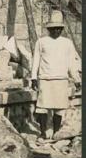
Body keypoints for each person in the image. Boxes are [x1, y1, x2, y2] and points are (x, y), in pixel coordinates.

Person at [31, 10, 81, 142]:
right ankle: (42, 133)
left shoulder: (67, 43)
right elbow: (36, 60)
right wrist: (33, 78)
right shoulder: (41, 42)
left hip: (61, 80)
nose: (56, 31)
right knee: (42, 107)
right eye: (53, 28)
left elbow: (71, 63)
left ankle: (56, 133)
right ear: (49, 29)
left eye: (59, 28)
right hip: (45, 79)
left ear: (62, 29)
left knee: (59, 108)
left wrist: (76, 79)